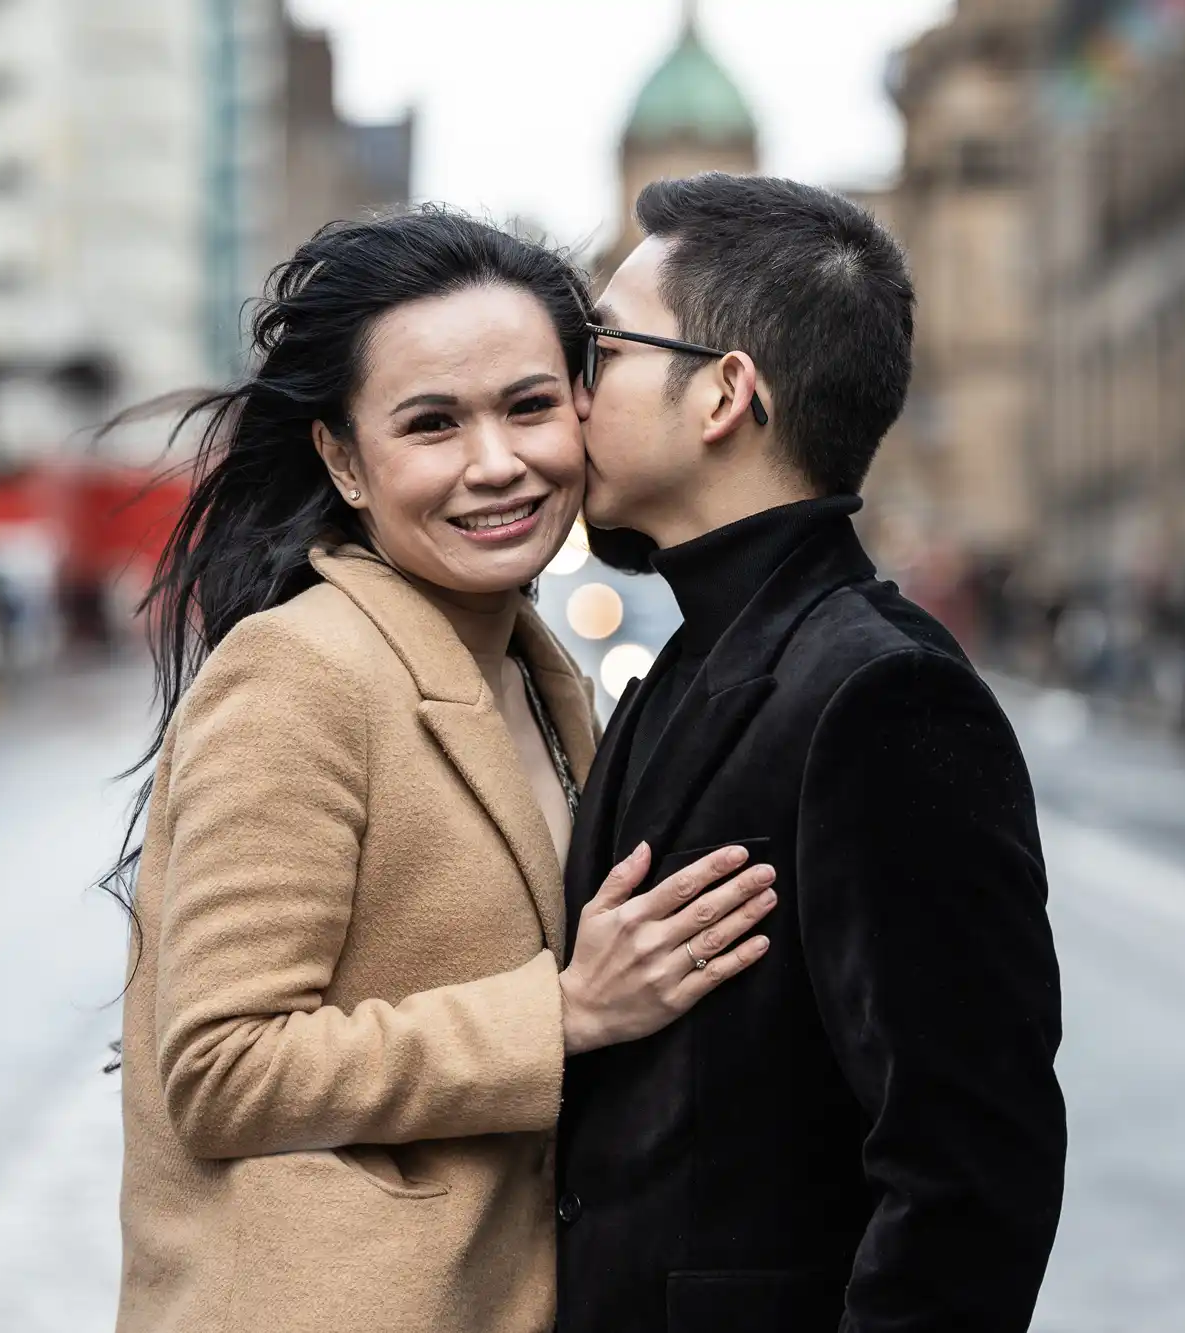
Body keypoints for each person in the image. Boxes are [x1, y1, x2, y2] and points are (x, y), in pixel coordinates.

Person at [109, 208, 776, 1333]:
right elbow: (222, 1067)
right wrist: (559, 1014)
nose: (495, 463)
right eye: (431, 424)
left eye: (527, 405)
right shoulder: (299, 673)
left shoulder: (536, 668)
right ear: (343, 459)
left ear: (583, 406)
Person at [558, 175, 1066, 1332]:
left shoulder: (884, 693)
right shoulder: (696, 655)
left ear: (724, 394)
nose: (569, 395)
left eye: (601, 351)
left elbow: (969, 1172)